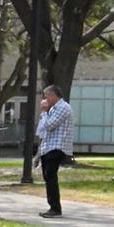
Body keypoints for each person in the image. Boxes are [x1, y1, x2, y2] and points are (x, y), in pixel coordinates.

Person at [37, 84, 74, 218]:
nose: (45, 99)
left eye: (47, 96)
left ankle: (55, 208)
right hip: (48, 146)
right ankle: (52, 206)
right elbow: (41, 129)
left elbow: (50, 125)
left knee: (51, 176)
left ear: (54, 95)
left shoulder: (63, 108)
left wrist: (44, 111)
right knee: (48, 177)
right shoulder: (52, 109)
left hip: (57, 147)